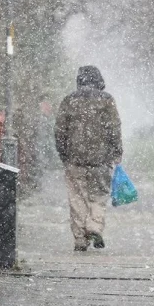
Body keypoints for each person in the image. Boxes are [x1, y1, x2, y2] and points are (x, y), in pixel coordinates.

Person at [54, 66, 123, 252]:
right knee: (99, 196)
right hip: (101, 159)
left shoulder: (69, 101)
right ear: (99, 80)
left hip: (75, 159)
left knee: (77, 199)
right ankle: (94, 226)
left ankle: (80, 239)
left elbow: (60, 130)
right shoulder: (107, 100)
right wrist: (117, 151)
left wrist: (63, 153)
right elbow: (114, 128)